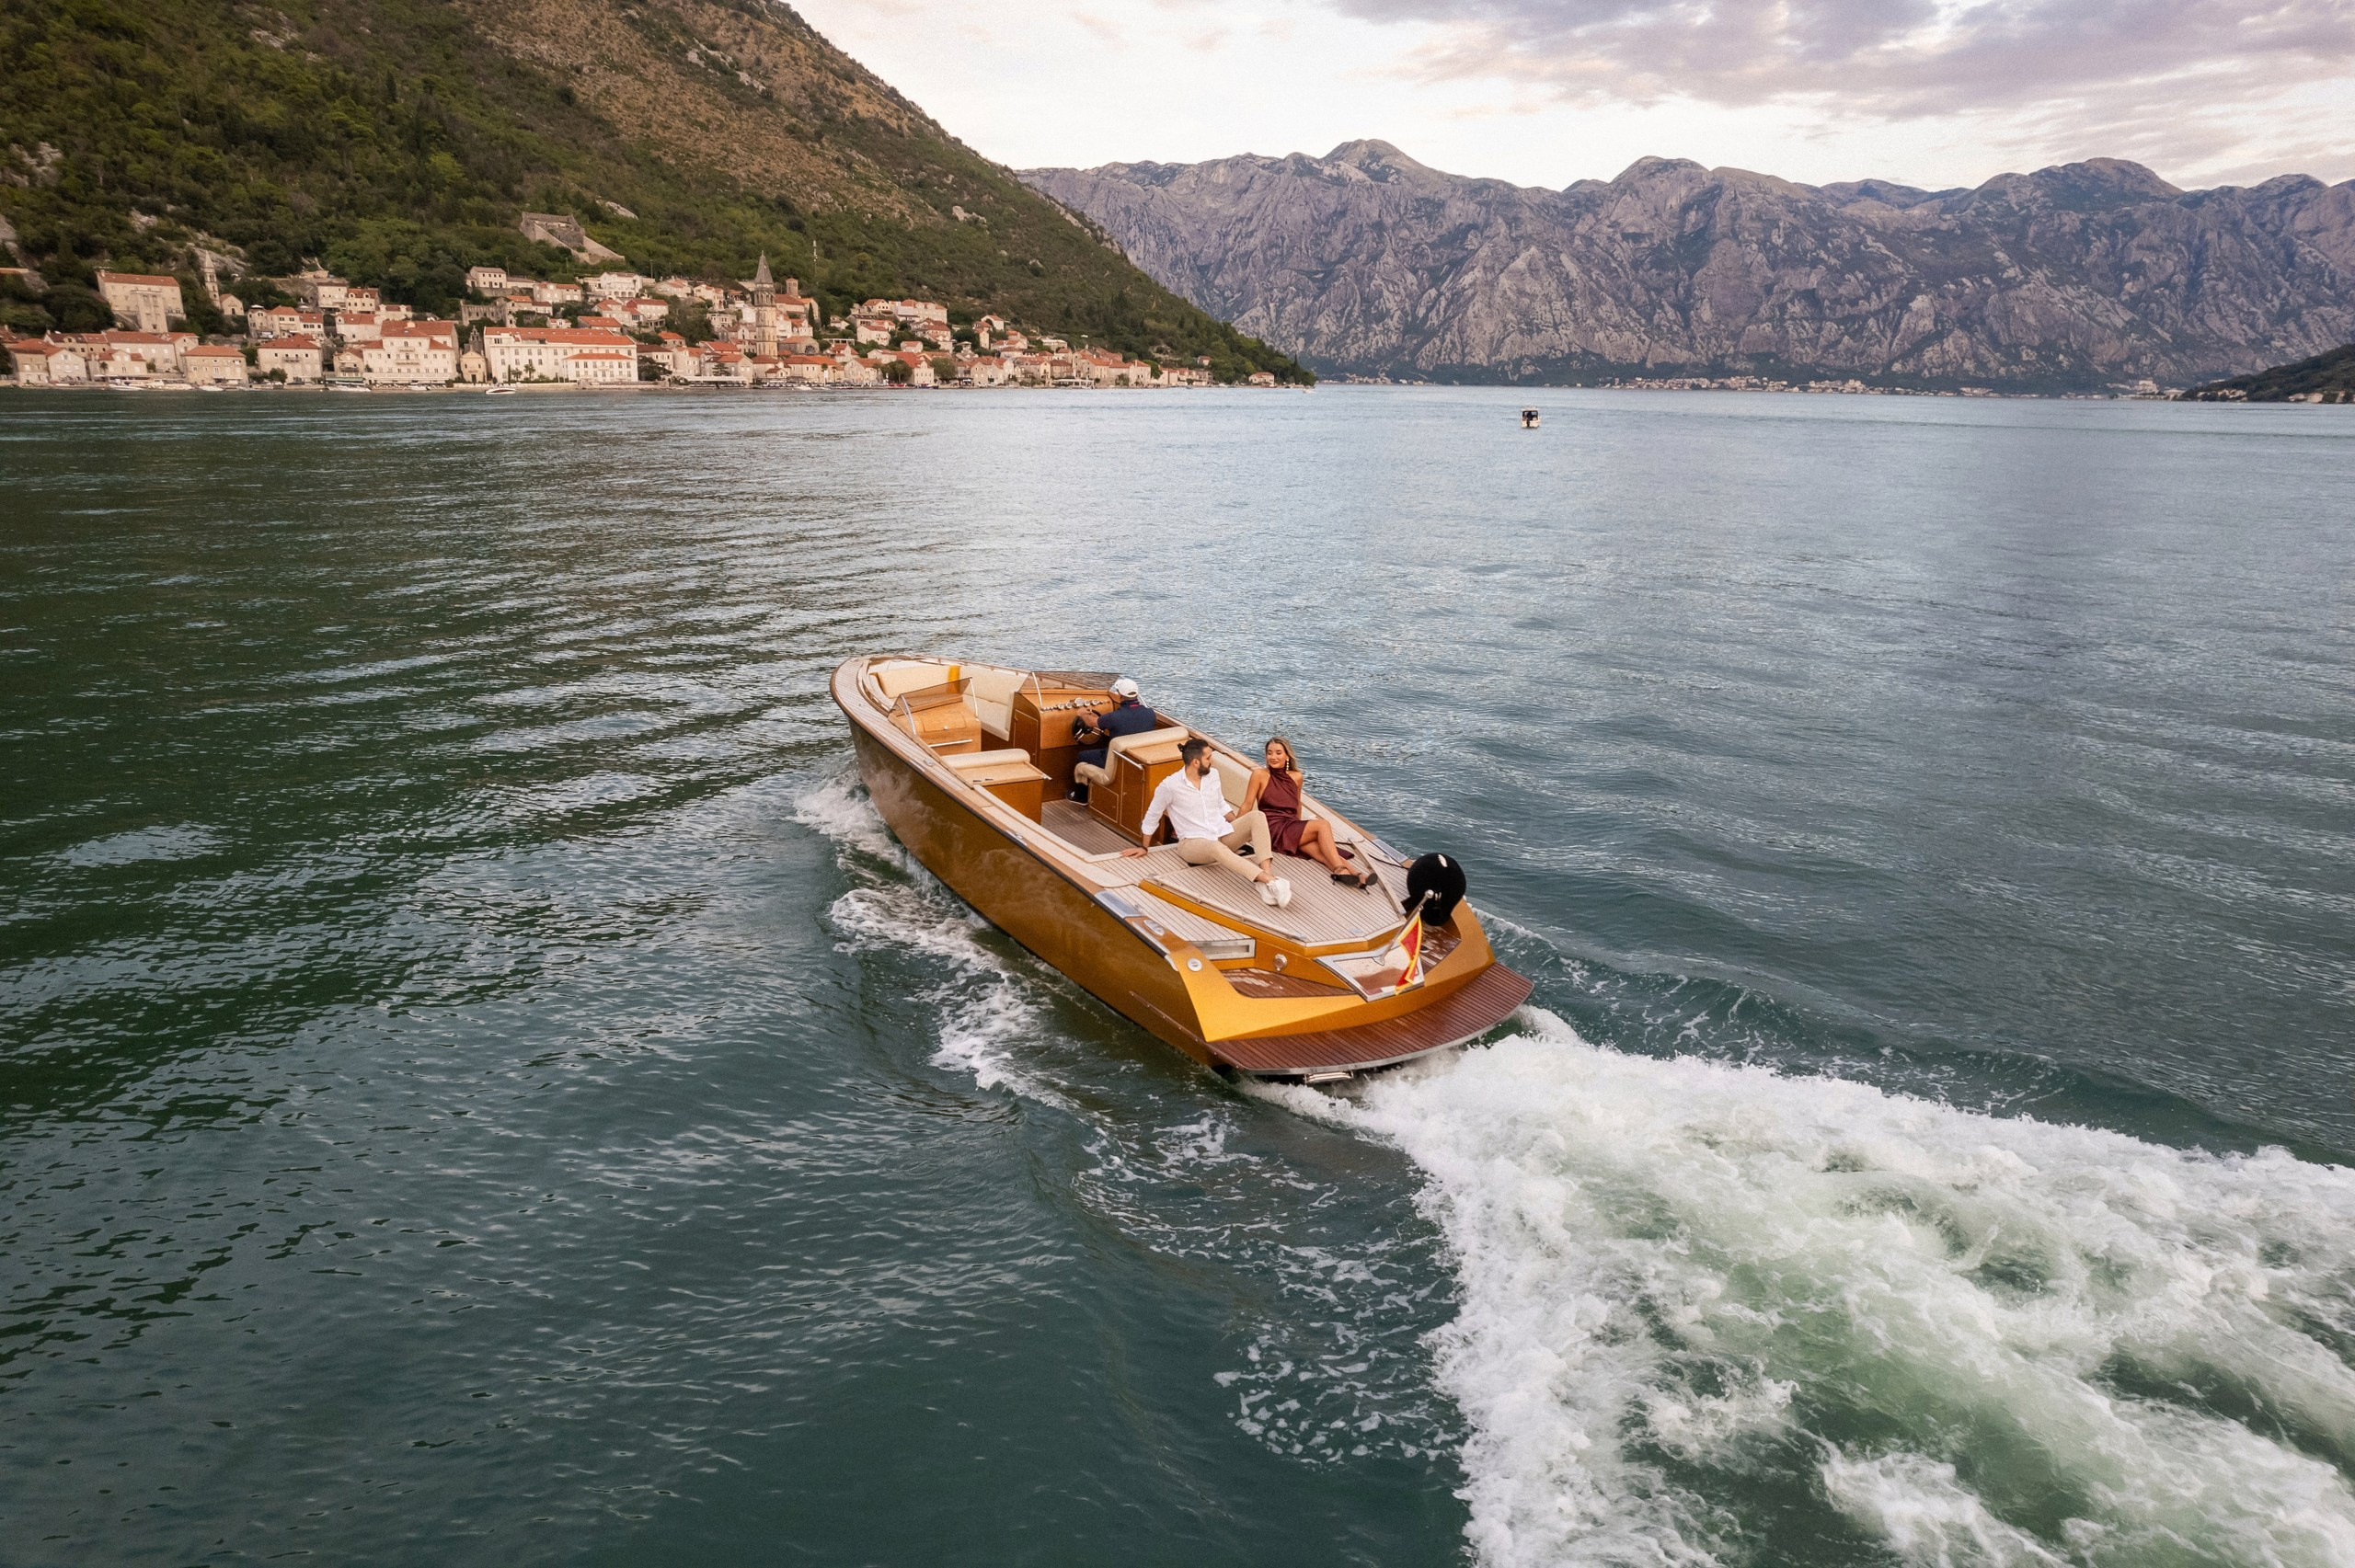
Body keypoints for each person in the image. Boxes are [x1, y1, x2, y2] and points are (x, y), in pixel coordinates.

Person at [1124, 738, 1292, 908]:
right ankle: (1272, 882)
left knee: (1257, 816)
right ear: (1196, 762)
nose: (1212, 761)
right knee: (1215, 847)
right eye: (1208, 758)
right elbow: (1153, 815)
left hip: (1220, 834)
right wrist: (1144, 847)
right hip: (1192, 844)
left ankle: (1264, 878)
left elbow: (1220, 803)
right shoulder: (1169, 786)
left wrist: (1239, 825)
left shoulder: (1214, 775)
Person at [1242, 737, 1380, 890]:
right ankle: (1342, 869)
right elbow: (1247, 804)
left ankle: (1356, 876)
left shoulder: (1297, 777)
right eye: (1269, 753)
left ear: (1287, 756)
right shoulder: (1260, 774)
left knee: (1320, 850)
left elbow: (1297, 804)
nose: (1273, 757)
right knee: (1322, 824)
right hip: (1271, 827)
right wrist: (1235, 829)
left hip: (1290, 825)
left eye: (1278, 753)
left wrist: (1299, 828)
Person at [1070, 677, 1164, 801]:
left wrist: (1082, 712)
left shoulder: (1114, 717)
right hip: (1137, 759)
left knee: (1082, 756)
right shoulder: (1150, 713)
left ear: (1119, 694)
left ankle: (1080, 798)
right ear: (1136, 694)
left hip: (1116, 760)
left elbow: (1091, 722)